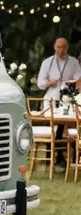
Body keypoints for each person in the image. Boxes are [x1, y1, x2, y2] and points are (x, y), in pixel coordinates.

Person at [37, 37, 81, 168]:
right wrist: (51, 83)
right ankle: (52, 156)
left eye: (64, 47)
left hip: (67, 98)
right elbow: (40, 84)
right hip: (51, 99)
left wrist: (75, 84)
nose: (61, 50)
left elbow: (79, 78)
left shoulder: (73, 62)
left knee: (64, 125)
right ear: (54, 48)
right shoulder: (47, 62)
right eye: (59, 47)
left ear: (67, 48)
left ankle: (63, 156)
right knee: (56, 126)